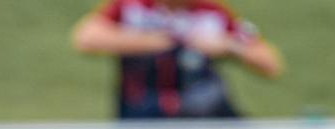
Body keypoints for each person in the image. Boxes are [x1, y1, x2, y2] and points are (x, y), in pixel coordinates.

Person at [71, 0, 283, 119]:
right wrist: (164, 41)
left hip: (201, 115)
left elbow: (270, 64)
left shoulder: (211, 13)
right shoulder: (133, 7)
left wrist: (229, 45)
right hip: (141, 114)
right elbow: (86, 39)